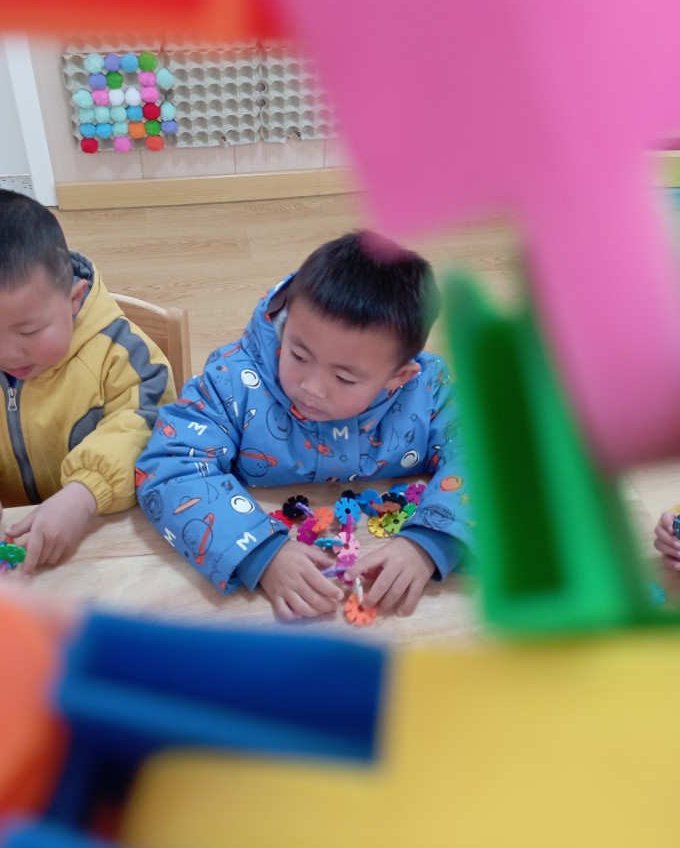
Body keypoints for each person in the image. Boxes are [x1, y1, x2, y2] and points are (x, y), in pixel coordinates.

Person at [136, 229, 472, 620]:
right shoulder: (231, 383)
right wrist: (260, 552)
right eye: (297, 354)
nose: (311, 387)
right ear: (285, 322)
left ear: (398, 377)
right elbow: (169, 466)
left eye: (343, 377)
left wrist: (432, 541)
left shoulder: (428, 389)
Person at [0, 189, 176, 573]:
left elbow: (151, 427)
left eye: (29, 330)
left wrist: (83, 494)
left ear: (73, 300)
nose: (9, 353)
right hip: (10, 546)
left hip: (105, 529)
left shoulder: (122, 352)